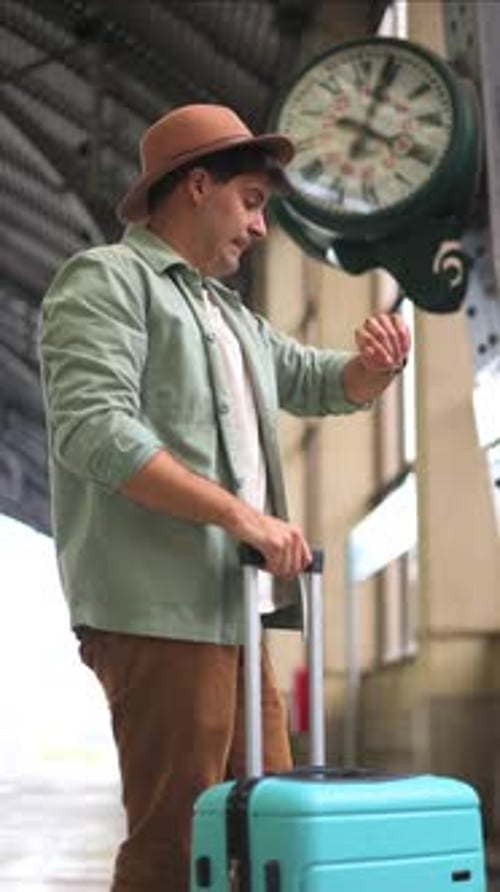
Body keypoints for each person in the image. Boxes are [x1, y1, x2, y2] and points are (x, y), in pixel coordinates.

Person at [39, 103, 411, 891]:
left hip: (233, 610)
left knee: (263, 827)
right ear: (198, 187)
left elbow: (313, 376)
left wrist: (370, 372)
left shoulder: (228, 314)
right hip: (157, 610)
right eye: (251, 204)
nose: (259, 229)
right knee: (177, 840)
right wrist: (238, 513)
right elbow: (95, 430)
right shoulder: (107, 281)